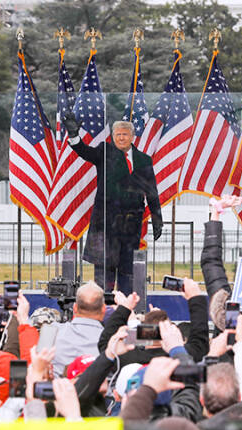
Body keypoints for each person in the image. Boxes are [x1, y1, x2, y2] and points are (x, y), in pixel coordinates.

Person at [62, 114, 163, 294]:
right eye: (117, 134)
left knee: (127, 273)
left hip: (130, 226)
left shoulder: (144, 160)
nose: (121, 138)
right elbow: (84, 151)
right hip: (106, 225)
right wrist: (74, 137)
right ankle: (103, 310)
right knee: (104, 276)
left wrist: (157, 219)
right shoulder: (104, 152)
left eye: (124, 134)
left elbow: (151, 192)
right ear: (112, 137)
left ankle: (124, 310)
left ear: (132, 137)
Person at [51, 281, 105, 377]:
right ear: (103, 309)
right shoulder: (114, 341)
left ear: (75, 308)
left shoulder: (51, 331)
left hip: (59, 389)